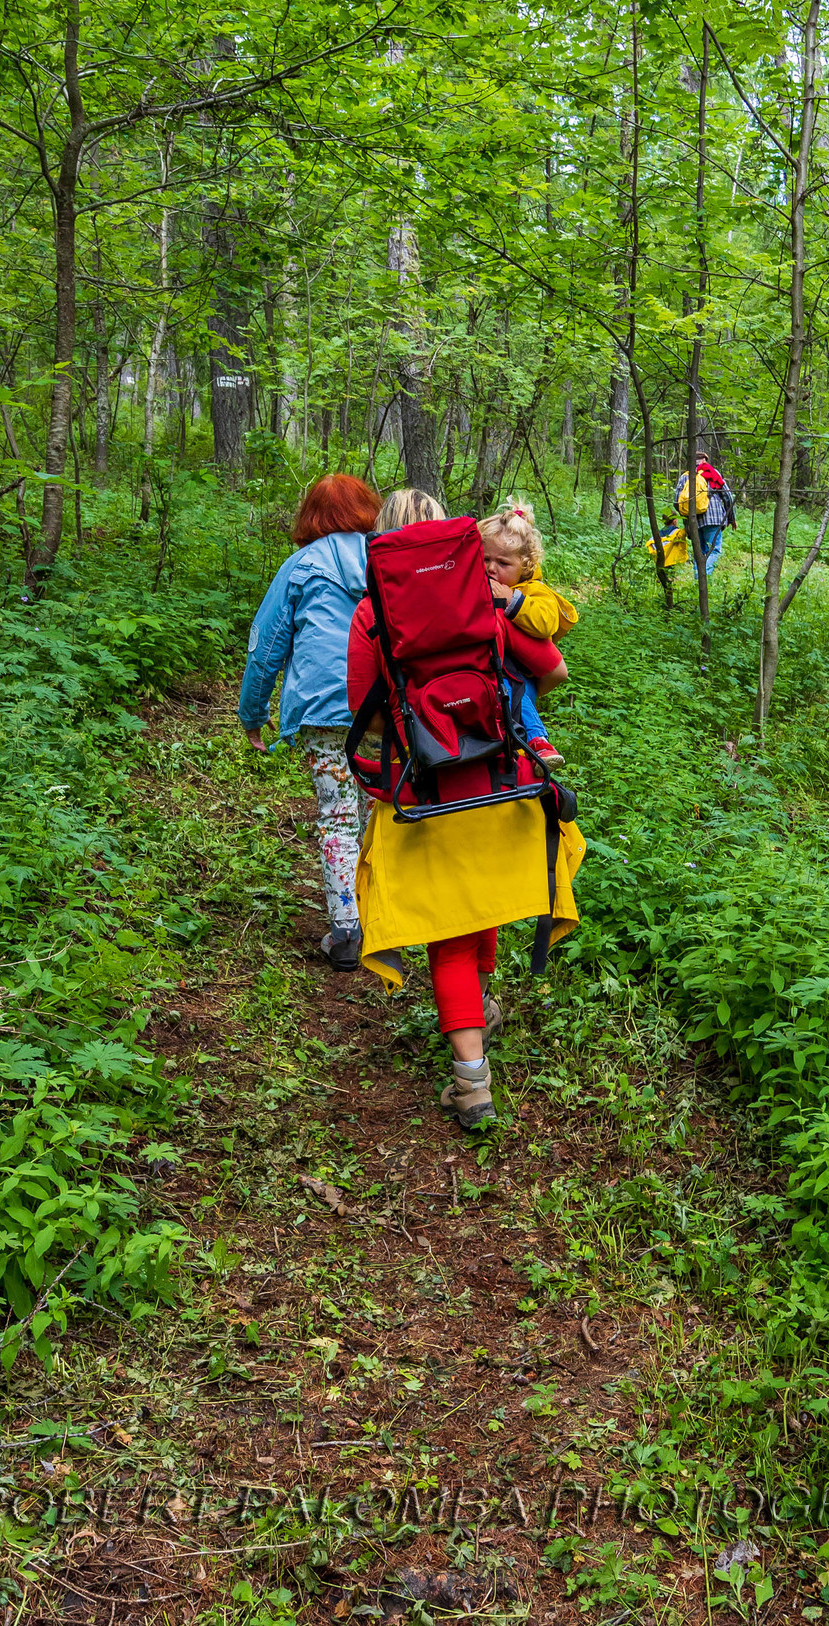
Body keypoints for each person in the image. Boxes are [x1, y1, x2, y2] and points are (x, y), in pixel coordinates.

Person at [348, 488, 586, 1132]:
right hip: (500, 781)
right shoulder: (484, 599)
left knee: (449, 933)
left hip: (425, 792)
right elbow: (554, 669)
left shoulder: (372, 614)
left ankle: (471, 1083)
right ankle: (479, 1007)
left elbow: (361, 710)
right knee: (478, 903)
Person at [238, 472, 382, 971]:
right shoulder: (389, 558)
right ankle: (384, 920)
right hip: (385, 710)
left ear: (311, 517)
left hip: (325, 711)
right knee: (376, 809)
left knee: (337, 817)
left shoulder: (300, 567)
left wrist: (253, 715)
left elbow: (266, 647)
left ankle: (346, 933)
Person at [478, 498, 575, 769]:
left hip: (521, 673)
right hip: (496, 667)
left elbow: (546, 623)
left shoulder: (534, 590)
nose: (491, 568)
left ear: (526, 566)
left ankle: (538, 743)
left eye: (502, 563)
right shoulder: (481, 584)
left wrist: (511, 599)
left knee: (507, 689)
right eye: (485, 559)